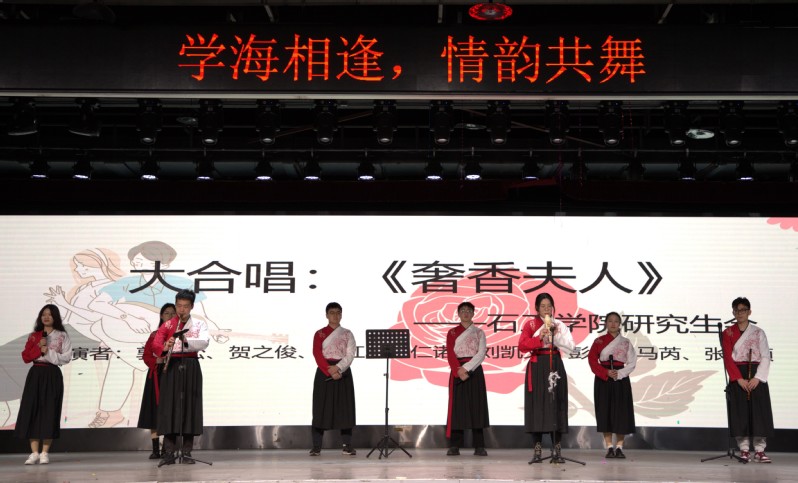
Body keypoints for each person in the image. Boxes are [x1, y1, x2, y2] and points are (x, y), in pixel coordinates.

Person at [153, 289, 209, 465]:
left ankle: (186, 452)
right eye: (179, 306)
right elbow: (156, 343)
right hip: (172, 366)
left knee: (189, 406)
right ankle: (169, 452)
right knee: (169, 407)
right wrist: (165, 345)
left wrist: (184, 340)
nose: (181, 310)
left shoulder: (199, 324)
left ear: (191, 306)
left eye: (185, 306)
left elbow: (204, 342)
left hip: (191, 365)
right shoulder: (168, 325)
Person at [518, 292, 575, 464]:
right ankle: (537, 448)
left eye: (549, 306)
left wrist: (556, 336)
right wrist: (539, 337)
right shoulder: (530, 324)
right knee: (538, 405)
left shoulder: (560, 325)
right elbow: (522, 346)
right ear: (536, 308)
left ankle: (557, 447)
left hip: (555, 363)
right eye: (542, 306)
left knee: (556, 404)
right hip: (538, 365)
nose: (546, 309)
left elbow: (571, 347)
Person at [14, 304, 73, 465]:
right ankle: (34, 453)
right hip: (36, 374)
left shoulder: (62, 335)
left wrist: (48, 352)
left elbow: (67, 357)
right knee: (31, 410)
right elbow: (26, 356)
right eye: (43, 314)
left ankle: (45, 453)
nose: (46, 317)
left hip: (52, 374)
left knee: (50, 411)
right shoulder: (34, 336)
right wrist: (39, 350)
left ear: (55, 317)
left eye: (50, 314)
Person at [721, 297, 774, 463]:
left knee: (758, 413)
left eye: (743, 310)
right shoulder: (727, 333)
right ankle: (743, 449)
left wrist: (758, 378)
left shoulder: (758, 332)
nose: (740, 313)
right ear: (733, 312)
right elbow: (728, 358)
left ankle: (759, 450)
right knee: (740, 413)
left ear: (749, 312)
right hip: (738, 374)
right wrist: (738, 379)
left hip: (756, 374)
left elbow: (765, 356)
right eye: (737, 310)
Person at [587, 311, 637, 459]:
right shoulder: (599, 341)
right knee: (605, 411)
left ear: (620, 324)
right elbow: (592, 360)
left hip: (621, 379)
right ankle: (609, 447)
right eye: (610, 321)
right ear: (606, 323)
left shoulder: (626, 342)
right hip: (603, 379)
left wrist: (619, 373)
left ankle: (620, 447)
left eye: (616, 321)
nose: (613, 323)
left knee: (622, 412)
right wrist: (605, 372)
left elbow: (632, 362)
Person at [310, 302, 357, 456]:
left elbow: (350, 354)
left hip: (343, 372)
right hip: (325, 371)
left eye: (338, 312)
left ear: (341, 315)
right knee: (320, 408)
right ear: (326, 315)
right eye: (332, 312)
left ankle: (347, 445)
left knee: (345, 408)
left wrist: (338, 368)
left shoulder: (348, 333)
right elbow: (317, 353)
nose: (335, 315)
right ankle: (316, 446)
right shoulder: (319, 334)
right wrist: (329, 370)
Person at [445, 301, 490, 456]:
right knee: (458, 409)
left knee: (477, 407)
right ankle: (455, 445)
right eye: (463, 310)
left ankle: (479, 446)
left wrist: (467, 368)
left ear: (473, 313)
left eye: (469, 310)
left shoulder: (479, 332)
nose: (466, 313)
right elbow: (450, 354)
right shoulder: (452, 332)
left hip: (474, 371)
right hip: (457, 371)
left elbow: (481, 353)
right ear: (458, 313)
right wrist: (458, 371)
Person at [137, 303, 176, 459]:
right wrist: (156, 361)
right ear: (161, 316)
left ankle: (167, 448)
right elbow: (146, 356)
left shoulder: (178, 336)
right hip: (156, 375)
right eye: (167, 313)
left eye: (173, 313)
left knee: (170, 411)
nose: (170, 316)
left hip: (172, 375)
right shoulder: (155, 335)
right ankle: (155, 449)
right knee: (154, 411)